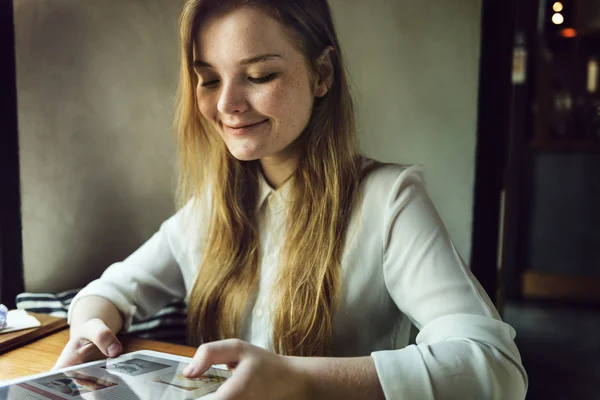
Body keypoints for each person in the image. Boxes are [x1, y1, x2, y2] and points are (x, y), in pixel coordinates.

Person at [56, 0, 528, 399]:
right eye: (210, 79)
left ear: (321, 74)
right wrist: (89, 328)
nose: (226, 105)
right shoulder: (210, 209)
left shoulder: (389, 201)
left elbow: (496, 367)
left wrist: (294, 377)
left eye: (259, 75)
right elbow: (107, 293)